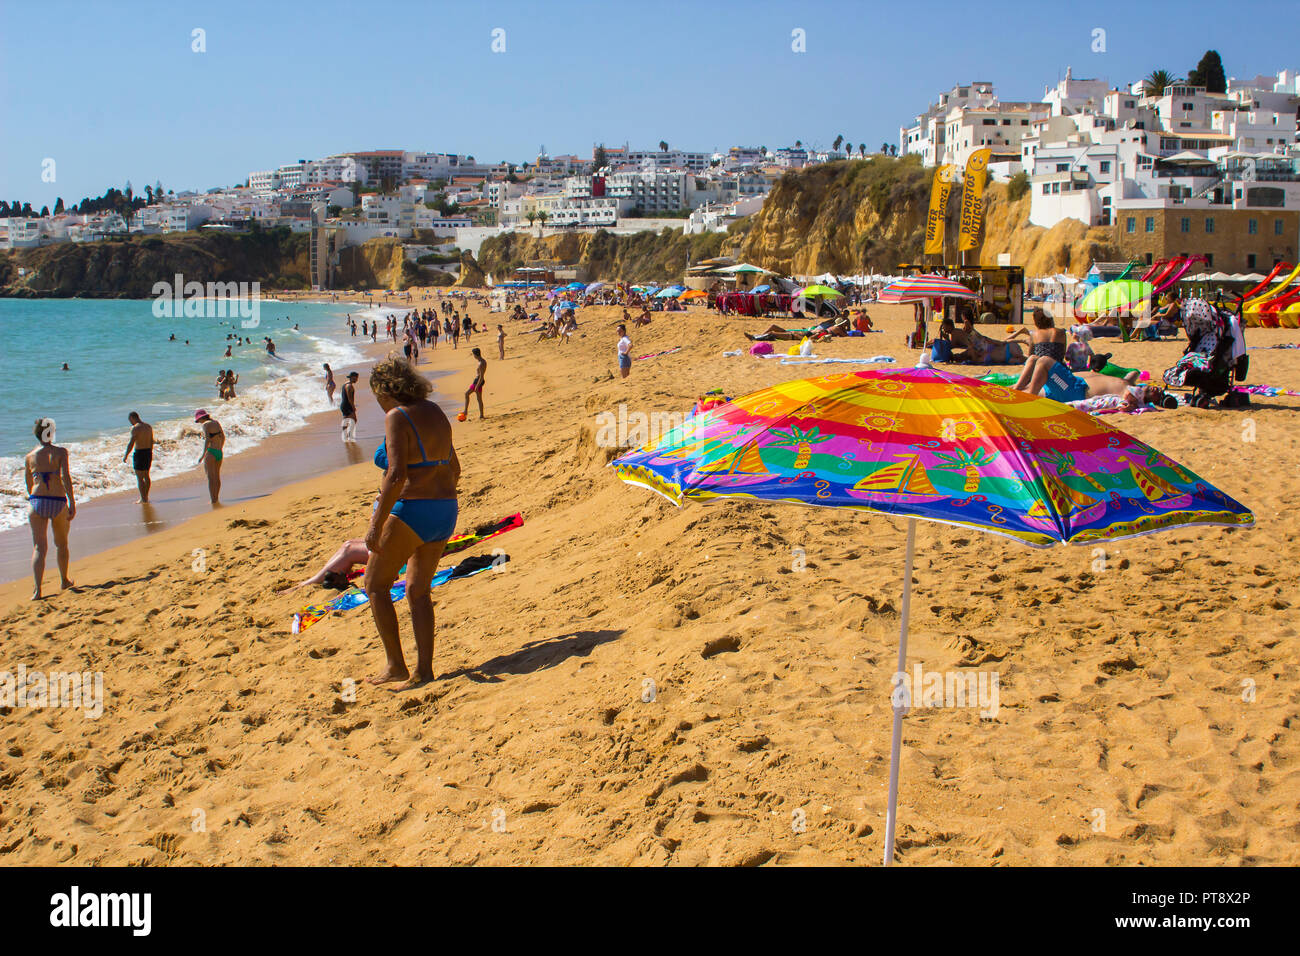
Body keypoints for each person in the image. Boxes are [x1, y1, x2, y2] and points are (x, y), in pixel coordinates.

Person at [364, 357, 460, 688]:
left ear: (385, 391)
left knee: (375, 586)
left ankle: (395, 666)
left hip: (413, 511)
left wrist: (376, 524)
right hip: (446, 510)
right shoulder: (435, 412)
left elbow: (395, 474)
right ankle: (424, 671)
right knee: (418, 591)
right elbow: (454, 467)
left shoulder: (396, 416)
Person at [25, 418, 75, 600]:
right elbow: (65, 478)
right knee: (61, 544)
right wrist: (72, 502)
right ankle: (64, 580)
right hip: (57, 500)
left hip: (37, 501)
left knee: (39, 547)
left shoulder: (30, 456)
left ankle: (37, 591)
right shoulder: (61, 452)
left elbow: (28, 483)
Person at [122, 412, 155, 503]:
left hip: (140, 453)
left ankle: (143, 498)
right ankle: (146, 496)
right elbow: (151, 441)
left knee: (140, 478)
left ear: (132, 418)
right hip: (148, 452)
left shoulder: (135, 428)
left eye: (130, 420)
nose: (130, 423)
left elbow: (131, 443)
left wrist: (126, 455)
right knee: (146, 476)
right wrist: (150, 452)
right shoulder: (148, 426)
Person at [195, 409, 225, 504]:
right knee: (217, 476)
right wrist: (220, 448)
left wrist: (203, 455)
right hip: (219, 452)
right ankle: (216, 498)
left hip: (211, 452)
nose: (199, 422)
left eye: (198, 420)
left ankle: (213, 500)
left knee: (211, 478)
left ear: (201, 418)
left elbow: (207, 439)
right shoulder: (216, 422)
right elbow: (223, 437)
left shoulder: (205, 424)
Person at [462, 347, 487, 420]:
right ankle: (481, 415)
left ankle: (466, 411)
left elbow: (481, 376)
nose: (473, 356)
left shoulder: (481, 363)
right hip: (477, 381)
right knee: (478, 398)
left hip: (478, 381)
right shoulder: (480, 361)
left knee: (468, 394)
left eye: (473, 354)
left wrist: (477, 386)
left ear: (476, 355)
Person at [340, 371, 359, 442]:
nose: (357, 380)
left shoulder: (345, 384)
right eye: (356, 378)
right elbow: (349, 398)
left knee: (346, 420)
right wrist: (353, 407)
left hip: (344, 405)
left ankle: (346, 435)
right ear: (353, 377)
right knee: (353, 420)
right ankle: (348, 435)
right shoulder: (349, 386)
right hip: (347, 406)